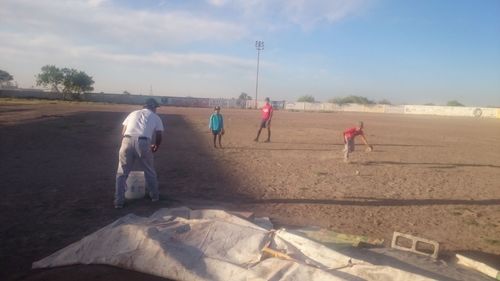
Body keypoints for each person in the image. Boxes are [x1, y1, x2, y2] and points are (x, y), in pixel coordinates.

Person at [114, 98, 164, 208]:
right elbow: (159, 135)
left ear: (144, 106)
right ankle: (155, 197)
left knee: (121, 173)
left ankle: (118, 202)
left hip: (126, 140)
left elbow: (123, 132)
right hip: (144, 142)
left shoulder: (133, 113)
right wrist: (156, 146)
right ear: (153, 108)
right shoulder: (155, 117)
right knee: (149, 170)